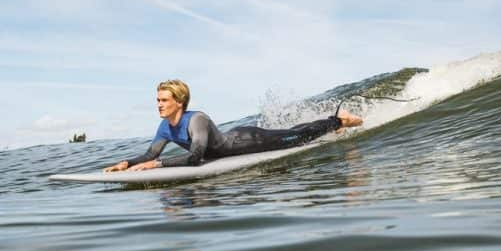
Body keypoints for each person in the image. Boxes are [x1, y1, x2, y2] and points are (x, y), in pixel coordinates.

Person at [104, 79, 363, 172]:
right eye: (157, 100)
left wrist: (157, 166)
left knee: (299, 136)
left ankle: (339, 120)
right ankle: (337, 123)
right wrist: (127, 163)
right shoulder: (164, 127)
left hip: (249, 142)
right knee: (295, 133)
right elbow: (151, 154)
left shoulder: (197, 120)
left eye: (164, 100)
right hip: (234, 142)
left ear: (179, 102)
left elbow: (195, 157)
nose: (159, 105)